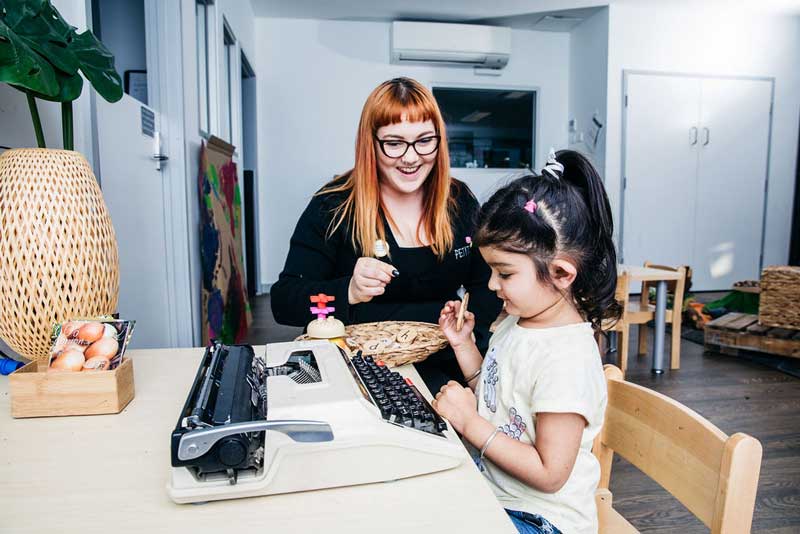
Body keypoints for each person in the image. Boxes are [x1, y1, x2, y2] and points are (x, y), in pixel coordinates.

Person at [270, 77, 502, 391]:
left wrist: (474, 333)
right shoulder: (333, 206)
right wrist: (348, 290)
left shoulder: (458, 200)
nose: (411, 157)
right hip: (358, 371)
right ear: (371, 143)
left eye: (424, 140)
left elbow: (487, 284)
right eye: (394, 143)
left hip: (446, 367)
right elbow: (285, 302)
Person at [433, 149, 621, 534]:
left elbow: (549, 473)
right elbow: (497, 394)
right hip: (498, 498)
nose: (491, 285)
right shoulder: (516, 322)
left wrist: (468, 422)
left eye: (504, 273)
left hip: (542, 520)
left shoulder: (566, 358)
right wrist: (464, 345)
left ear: (561, 273)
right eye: (490, 271)